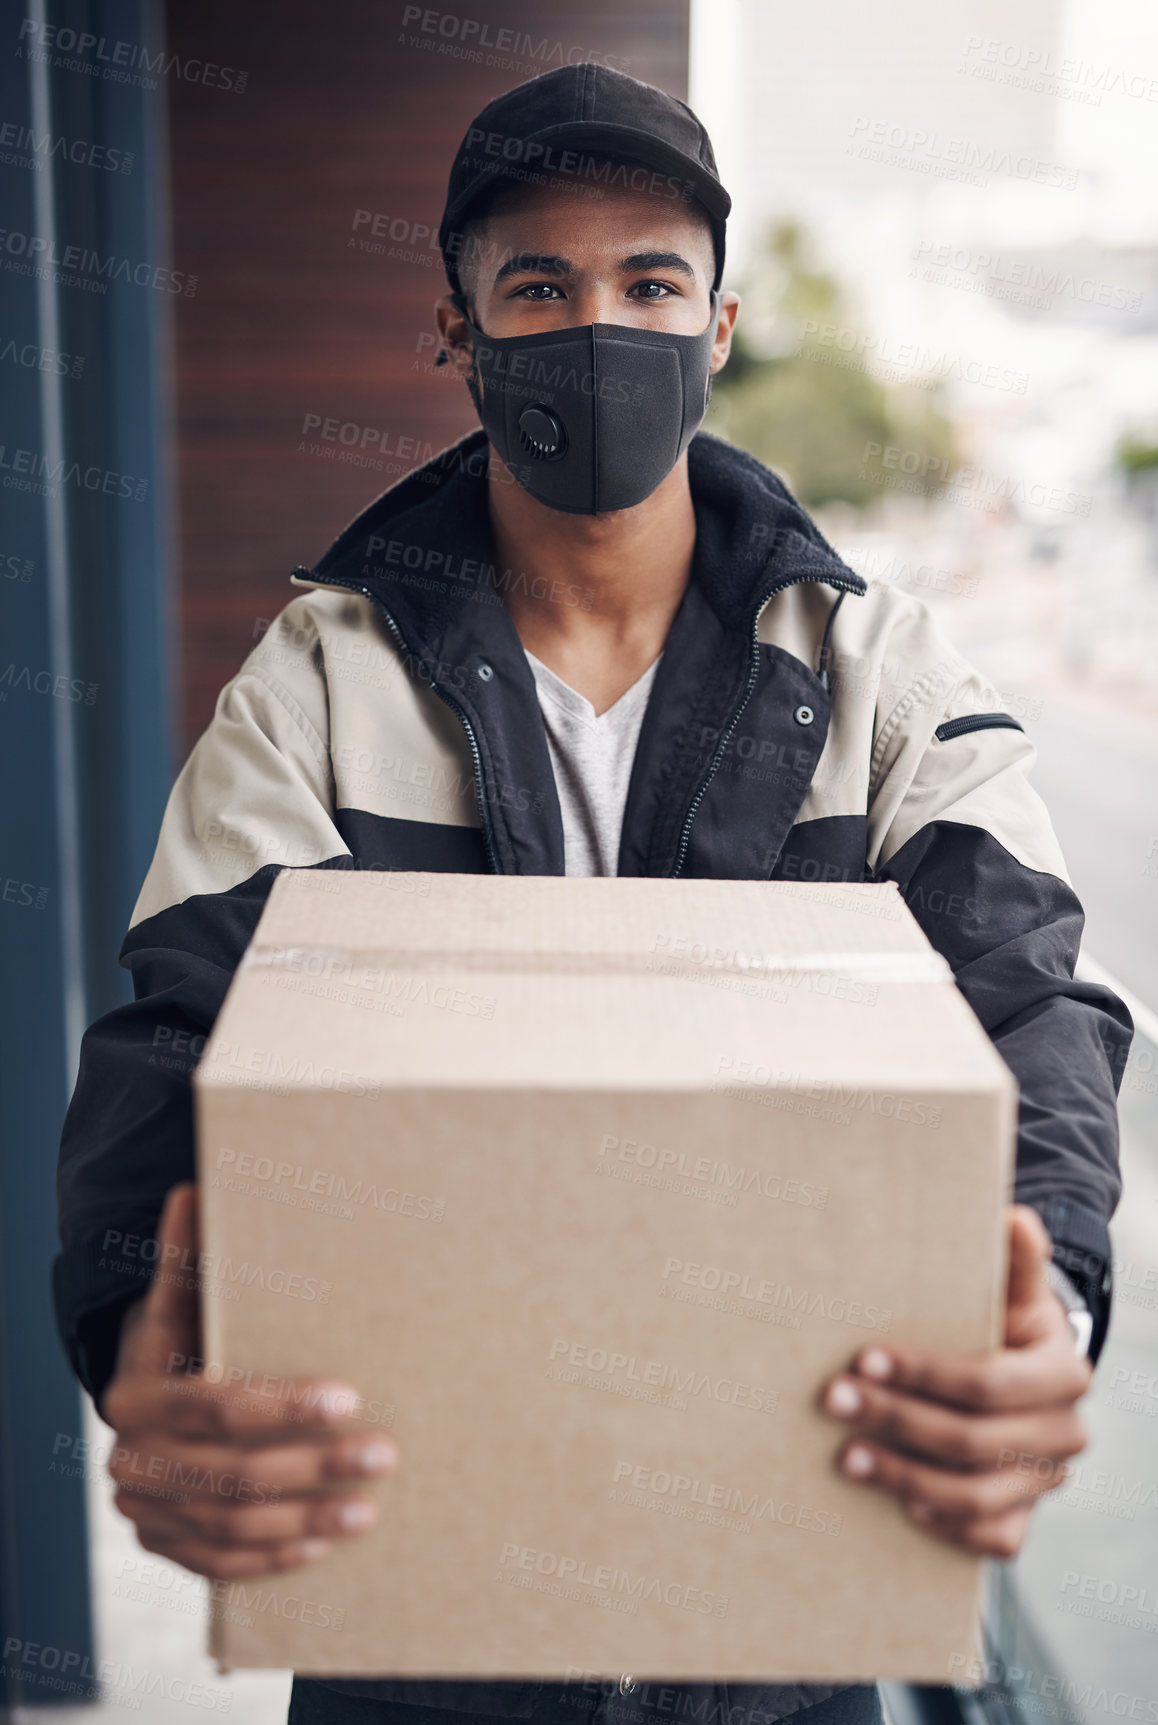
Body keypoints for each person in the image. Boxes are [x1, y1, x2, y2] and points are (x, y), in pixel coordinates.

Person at [53, 62, 1130, 1725]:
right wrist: (153, 1363)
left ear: (716, 327)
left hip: (789, 1613)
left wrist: (1041, 1314)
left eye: (649, 282)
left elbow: (1036, 1009)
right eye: (538, 288)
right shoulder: (320, 683)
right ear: (456, 331)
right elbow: (173, 1044)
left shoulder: (878, 672)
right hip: (416, 1610)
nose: (597, 327)